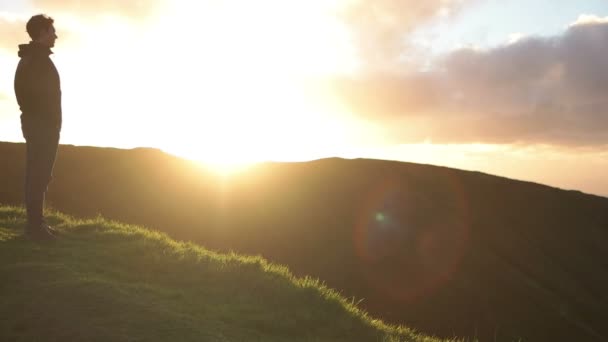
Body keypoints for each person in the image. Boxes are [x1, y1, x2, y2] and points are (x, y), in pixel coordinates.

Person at [14, 14, 61, 240]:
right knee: (38, 174)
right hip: (41, 126)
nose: (56, 35)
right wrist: (46, 120)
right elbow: (29, 95)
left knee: (40, 174)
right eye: (52, 31)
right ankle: (34, 227)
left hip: (41, 125)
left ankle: (37, 224)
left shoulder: (33, 58)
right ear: (42, 33)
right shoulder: (35, 60)